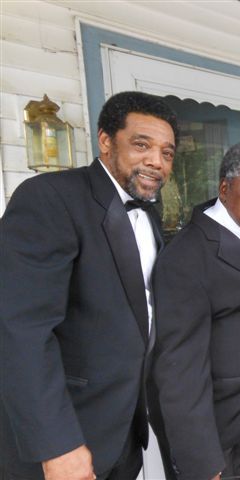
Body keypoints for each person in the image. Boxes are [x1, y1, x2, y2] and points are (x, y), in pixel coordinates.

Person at [0, 91, 178, 480]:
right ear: (105, 140)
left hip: (123, 435)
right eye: (142, 145)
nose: (156, 161)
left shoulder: (149, 214)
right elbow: (20, 329)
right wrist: (56, 444)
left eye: (167, 152)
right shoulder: (51, 198)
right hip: (63, 439)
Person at [150, 139, 240, 480]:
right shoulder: (187, 257)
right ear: (225, 189)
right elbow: (180, 371)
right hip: (211, 432)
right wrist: (201, 461)